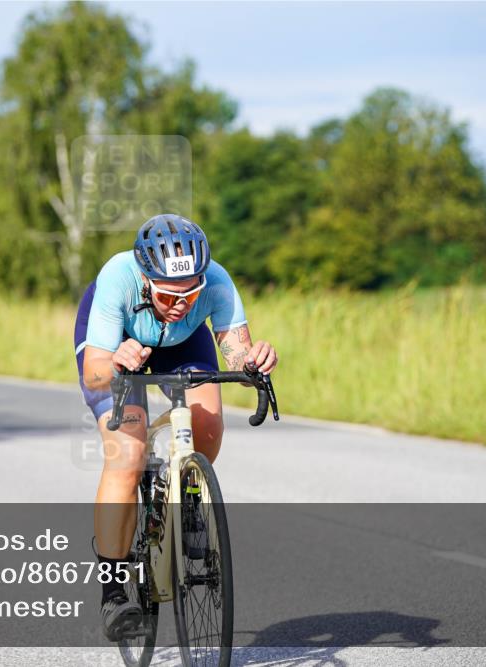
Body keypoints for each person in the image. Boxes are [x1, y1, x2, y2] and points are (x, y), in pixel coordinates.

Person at [74, 214, 278, 641]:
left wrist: (253, 363)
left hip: (183, 342)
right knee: (128, 455)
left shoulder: (217, 281)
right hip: (119, 343)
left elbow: (237, 355)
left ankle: (188, 496)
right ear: (146, 280)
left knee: (208, 424)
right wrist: (115, 363)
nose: (182, 304)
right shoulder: (118, 278)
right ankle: (114, 591)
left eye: (191, 293)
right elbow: (94, 373)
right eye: (169, 294)